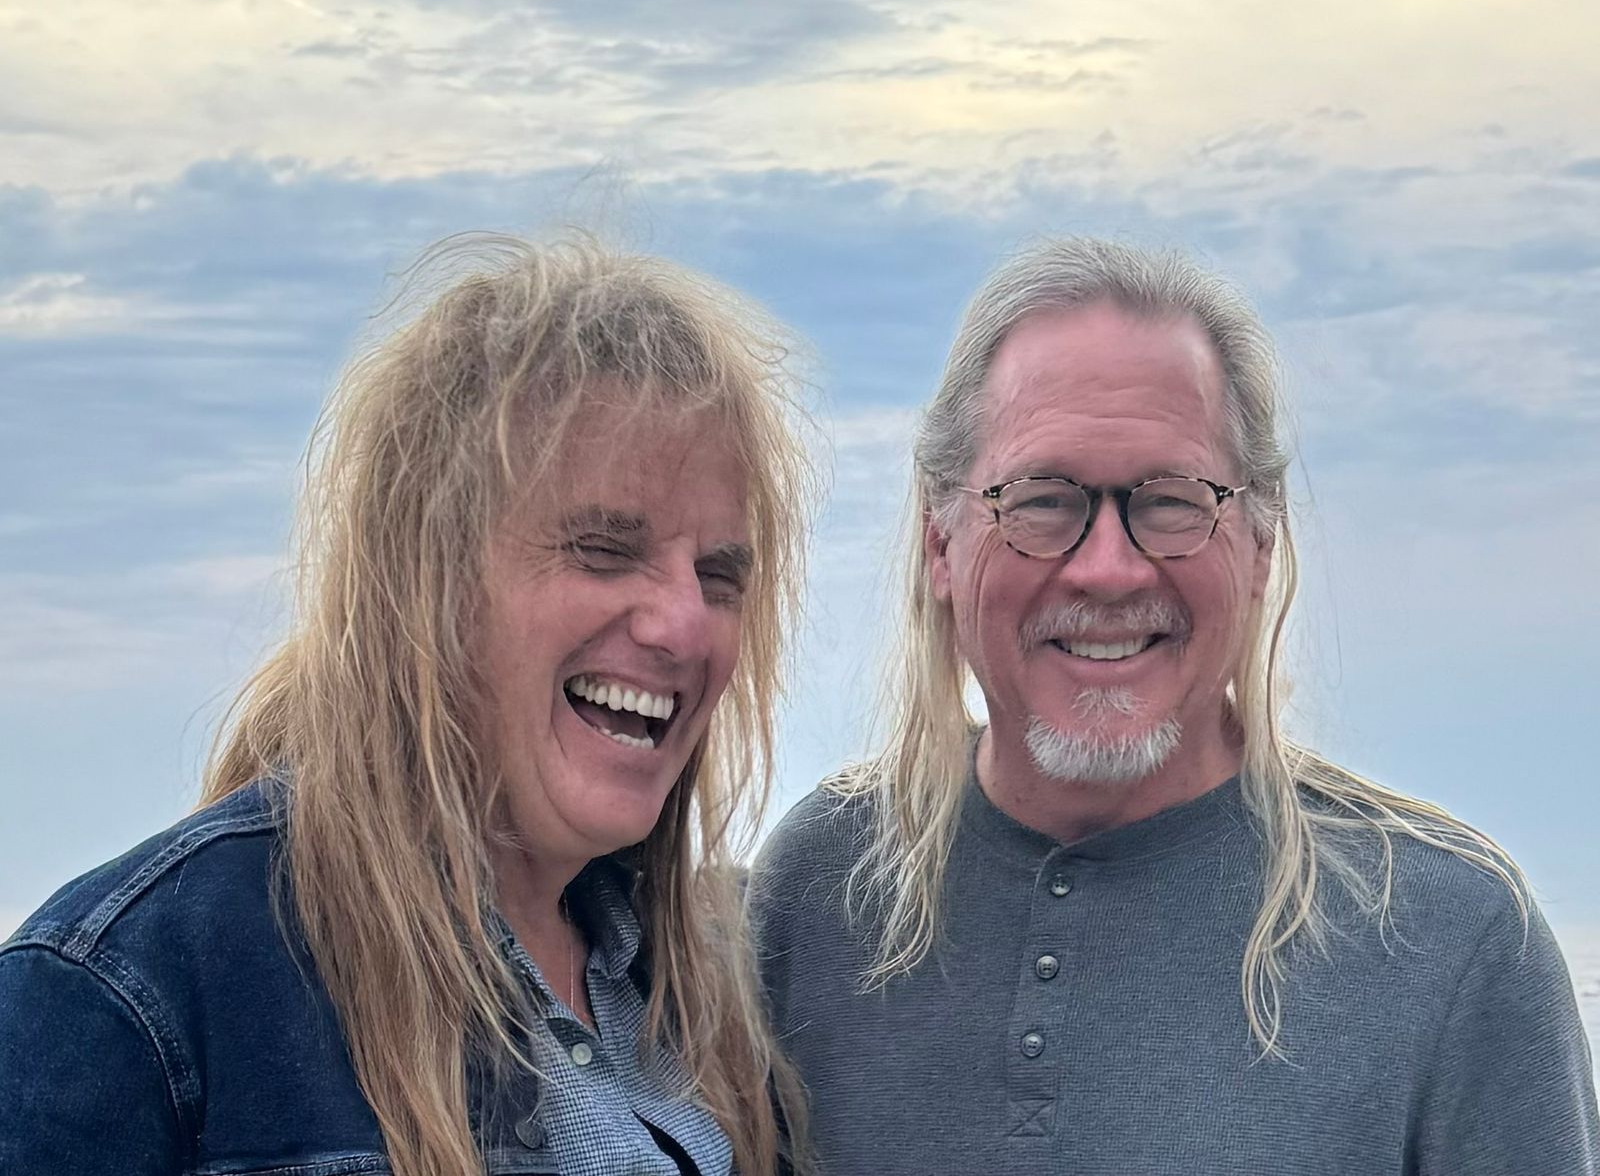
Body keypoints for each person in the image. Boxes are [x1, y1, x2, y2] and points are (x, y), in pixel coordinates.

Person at [751, 236, 1598, 1175]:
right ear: (940, 541)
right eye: (1041, 500)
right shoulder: (821, 891)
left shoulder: (1455, 941)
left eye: (1171, 501)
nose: (1109, 568)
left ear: (1261, 542)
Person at [0, 234, 814, 1176]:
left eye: (719, 575)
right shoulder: (126, 1000)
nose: (683, 623)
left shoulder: (706, 1007)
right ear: (424, 579)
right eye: (601, 549)